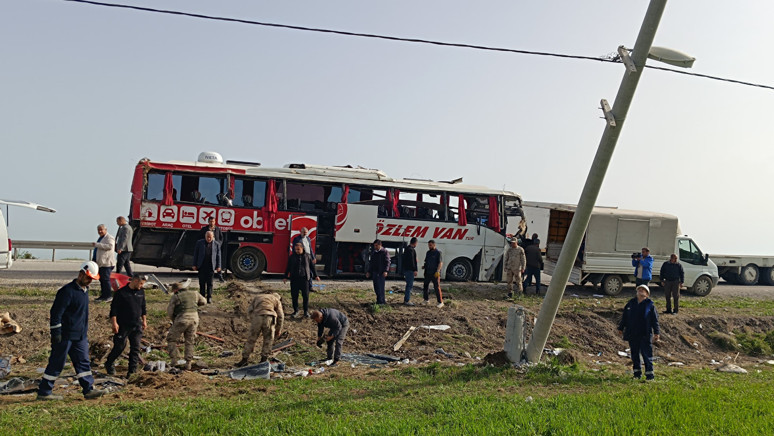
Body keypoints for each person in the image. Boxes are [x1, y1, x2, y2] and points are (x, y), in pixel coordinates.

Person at [37, 261, 107, 400]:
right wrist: (56, 333)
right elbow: (56, 313)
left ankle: (88, 389)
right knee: (57, 363)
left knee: (83, 362)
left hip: (80, 336)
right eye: (88, 278)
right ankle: (44, 392)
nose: (89, 281)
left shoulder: (84, 291)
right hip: (65, 335)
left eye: (92, 279)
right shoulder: (67, 292)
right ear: (81, 274)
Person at [104, 273, 148, 377]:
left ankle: (132, 372)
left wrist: (144, 320)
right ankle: (109, 363)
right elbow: (114, 309)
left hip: (136, 324)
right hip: (123, 325)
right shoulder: (121, 293)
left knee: (135, 348)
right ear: (135, 281)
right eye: (141, 284)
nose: (141, 286)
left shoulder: (141, 292)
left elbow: (143, 307)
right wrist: (114, 323)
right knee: (119, 347)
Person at [617, 285, 661, 380]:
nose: (641, 291)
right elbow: (624, 317)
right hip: (632, 333)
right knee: (634, 354)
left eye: (643, 290)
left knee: (646, 354)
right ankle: (637, 374)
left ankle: (649, 375)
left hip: (645, 333)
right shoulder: (630, 304)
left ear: (647, 294)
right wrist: (621, 328)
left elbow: (655, 320)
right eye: (639, 289)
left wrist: (657, 333)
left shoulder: (650, 306)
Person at [237, 292, 284, 367]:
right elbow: (281, 315)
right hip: (269, 317)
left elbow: (249, 310)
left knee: (251, 339)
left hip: (257, 317)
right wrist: (278, 329)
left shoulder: (258, 297)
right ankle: (263, 360)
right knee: (268, 339)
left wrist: (253, 320)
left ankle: (244, 359)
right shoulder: (276, 300)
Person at [166, 282, 207, 370]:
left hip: (182, 319)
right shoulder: (195, 293)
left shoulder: (176, 296)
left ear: (175, 290)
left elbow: (170, 311)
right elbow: (204, 301)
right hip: (194, 319)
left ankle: (174, 361)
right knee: (189, 341)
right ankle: (188, 363)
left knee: (171, 339)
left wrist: (174, 320)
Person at [284, 242, 320, 318]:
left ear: (302, 248)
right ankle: (296, 311)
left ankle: (306, 312)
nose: (297, 251)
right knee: (294, 296)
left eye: (298, 249)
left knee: (306, 296)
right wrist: (285, 276)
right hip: (294, 279)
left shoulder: (307, 256)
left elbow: (312, 267)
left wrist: (316, 276)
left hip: (304, 279)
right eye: (295, 249)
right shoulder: (292, 257)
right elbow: (288, 267)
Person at [193, 230, 221, 304]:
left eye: (210, 237)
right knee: (202, 283)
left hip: (211, 266)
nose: (208, 239)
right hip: (202, 265)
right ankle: (202, 297)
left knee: (210, 283)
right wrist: (194, 264)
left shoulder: (216, 244)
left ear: (213, 237)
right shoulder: (199, 243)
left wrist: (218, 266)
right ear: (205, 236)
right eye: (207, 237)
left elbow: (218, 256)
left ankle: (209, 297)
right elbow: (196, 254)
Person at [92, 224, 116, 302]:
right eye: (98, 230)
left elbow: (110, 246)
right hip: (100, 263)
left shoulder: (109, 237)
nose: (100, 231)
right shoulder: (101, 238)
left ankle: (108, 296)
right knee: (102, 280)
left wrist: (97, 245)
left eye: (101, 230)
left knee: (105, 280)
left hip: (107, 263)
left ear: (105, 230)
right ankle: (103, 295)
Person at [200, 217, 225, 282]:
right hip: (207, 248)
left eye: (213, 221)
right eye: (210, 221)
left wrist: (218, 245)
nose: (212, 223)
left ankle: (220, 277)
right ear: (208, 222)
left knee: (218, 262)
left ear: (215, 222)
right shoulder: (204, 229)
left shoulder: (217, 229)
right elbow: (200, 238)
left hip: (215, 249)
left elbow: (221, 238)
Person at [366, 239, 390, 305]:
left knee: (381, 287)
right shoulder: (374, 253)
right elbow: (371, 263)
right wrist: (369, 271)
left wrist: (386, 271)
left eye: (376, 245)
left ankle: (382, 301)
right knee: (376, 287)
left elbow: (387, 262)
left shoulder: (384, 252)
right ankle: (378, 300)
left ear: (380, 245)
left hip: (381, 272)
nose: (375, 247)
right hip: (375, 272)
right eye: (374, 246)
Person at [422, 240, 444, 308]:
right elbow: (426, 261)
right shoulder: (428, 253)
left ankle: (440, 302)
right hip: (428, 272)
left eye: (430, 245)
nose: (429, 246)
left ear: (434, 245)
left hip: (435, 273)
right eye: (429, 245)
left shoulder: (438, 253)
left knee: (436, 287)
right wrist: (424, 267)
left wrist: (438, 271)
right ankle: (426, 300)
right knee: (425, 286)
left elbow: (440, 263)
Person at [402, 237, 419, 305]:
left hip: (406, 270)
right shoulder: (411, 250)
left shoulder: (406, 249)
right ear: (415, 243)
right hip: (410, 270)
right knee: (409, 285)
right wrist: (415, 269)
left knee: (408, 285)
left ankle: (406, 299)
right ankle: (407, 300)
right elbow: (412, 261)